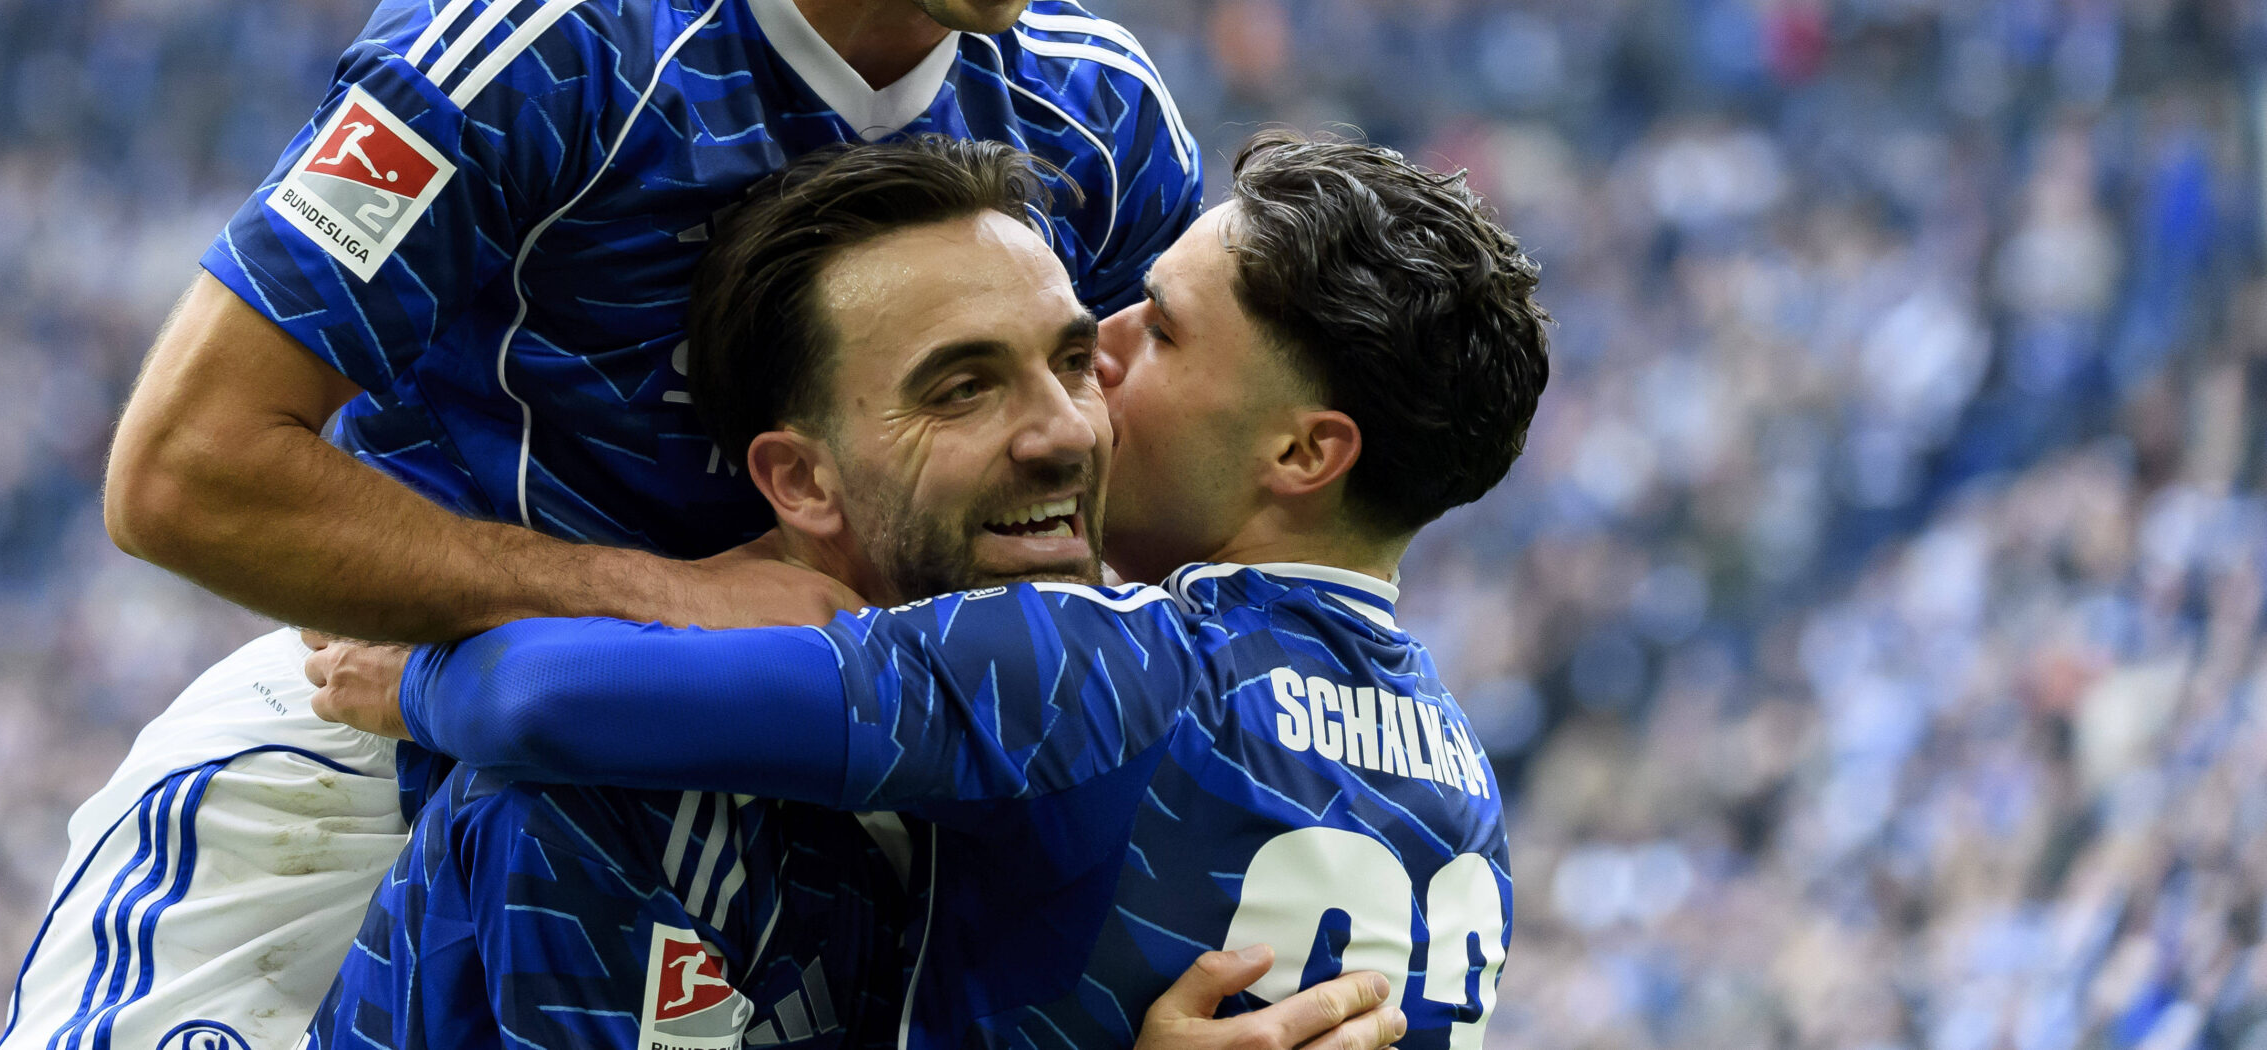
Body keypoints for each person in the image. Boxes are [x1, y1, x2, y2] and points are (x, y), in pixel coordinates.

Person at [0, 0, 1199, 1050]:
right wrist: (653, 601)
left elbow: (1193, 554)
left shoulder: (1099, 122)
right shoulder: (554, 34)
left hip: (828, 827)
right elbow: (185, 469)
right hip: (391, 771)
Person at [304, 130, 1549, 1049]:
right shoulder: (1462, 789)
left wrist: (413, 669)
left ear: (1302, 452)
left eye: (1157, 333)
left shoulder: (1102, 662)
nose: (1102, 362)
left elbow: (539, 702)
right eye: (969, 382)